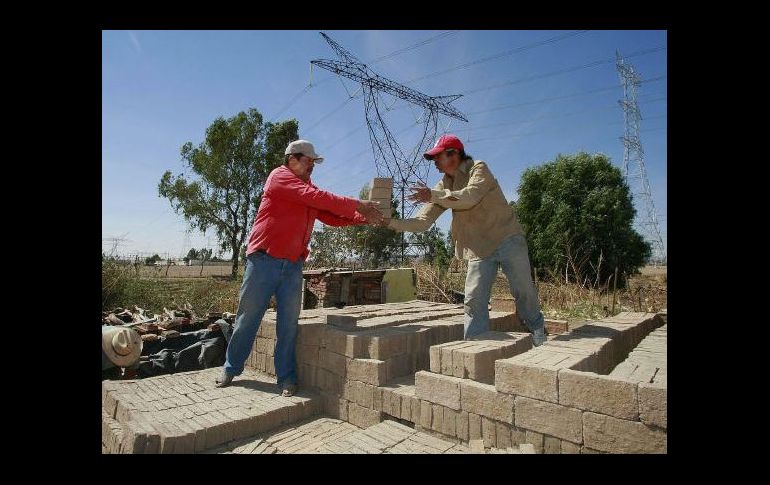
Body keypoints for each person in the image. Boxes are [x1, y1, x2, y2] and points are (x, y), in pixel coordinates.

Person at [215, 140, 383, 394]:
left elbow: (329, 216)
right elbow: (318, 198)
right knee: (247, 318)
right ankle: (230, 368)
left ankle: (286, 378)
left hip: (293, 265)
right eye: (309, 161)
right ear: (292, 158)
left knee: (288, 324)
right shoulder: (279, 178)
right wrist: (359, 204)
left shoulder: (306, 187)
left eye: (314, 163)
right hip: (263, 261)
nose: (312, 166)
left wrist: (363, 218)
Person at [382, 134, 546, 345]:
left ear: (454, 154)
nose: (435, 163)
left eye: (437, 157)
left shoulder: (478, 168)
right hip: (479, 248)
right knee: (473, 300)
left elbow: (469, 197)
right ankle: (475, 346)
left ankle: (538, 329)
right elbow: (422, 222)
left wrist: (433, 195)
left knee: (523, 290)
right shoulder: (442, 186)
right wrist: (387, 222)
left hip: (507, 238)